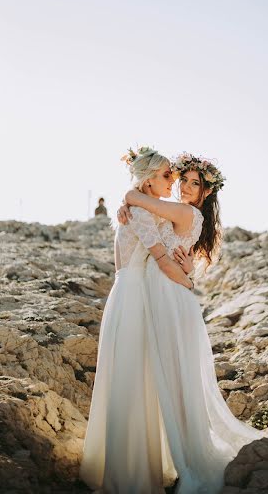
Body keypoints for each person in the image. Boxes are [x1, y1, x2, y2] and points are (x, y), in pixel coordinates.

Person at [117, 150, 268, 493]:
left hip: (170, 294)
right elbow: (146, 215)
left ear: (206, 193)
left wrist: (130, 198)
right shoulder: (179, 212)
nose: (185, 187)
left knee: (174, 376)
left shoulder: (185, 211)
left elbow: (135, 196)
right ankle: (170, 452)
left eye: (194, 183)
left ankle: (187, 455)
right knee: (170, 375)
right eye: (182, 179)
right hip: (165, 293)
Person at [79, 147, 194, 494]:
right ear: (147, 180)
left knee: (139, 377)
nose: (172, 181)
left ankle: (138, 463)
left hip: (134, 295)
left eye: (172, 175)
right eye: (165, 175)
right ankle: (130, 474)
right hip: (131, 298)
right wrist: (189, 283)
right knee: (131, 377)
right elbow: (159, 258)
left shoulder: (139, 209)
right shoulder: (139, 214)